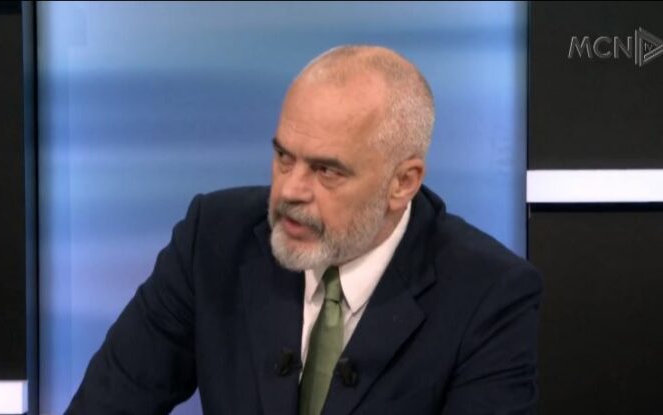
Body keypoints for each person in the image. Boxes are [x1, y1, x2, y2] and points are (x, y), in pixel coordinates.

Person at [66, 45, 542, 415]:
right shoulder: (212, 240)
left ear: (403, 183)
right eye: (283, 157)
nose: (290, 190)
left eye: (326, 171)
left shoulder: (488, 295)